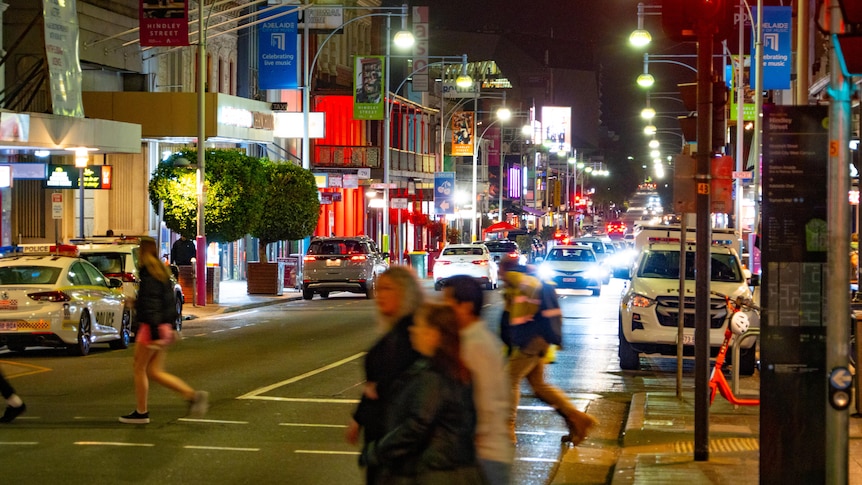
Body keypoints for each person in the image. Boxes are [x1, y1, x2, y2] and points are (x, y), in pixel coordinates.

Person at [361, 303, 485, 484]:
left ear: (433, 334)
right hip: (448, 470)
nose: (412, 330)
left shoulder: (433, 377)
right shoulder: (452, 369)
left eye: (418, 325)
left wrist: (376, 452)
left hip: (435, 474)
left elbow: (417, 425)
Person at [498, 258, 598, 445]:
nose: (498, 273)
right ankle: (578, 420)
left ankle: (507, 429)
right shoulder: (522, 281)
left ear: (506, 269)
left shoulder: (517, 280)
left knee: (508, 381)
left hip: (531, 341)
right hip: (539, 340)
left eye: (500, 269)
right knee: (539, 386)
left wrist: (520, 338)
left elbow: (520, 315)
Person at [345, 266, 423, 484]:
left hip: (394, 439)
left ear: (405, 292)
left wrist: (375, 391)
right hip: (383, 435)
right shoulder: (395, 332)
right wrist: (359, 417)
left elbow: (399, 380)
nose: (380, 295)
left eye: (388, 289)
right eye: (379, 288)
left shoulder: (414, 334)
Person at [119, 236, 208, 424]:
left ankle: (141, 412)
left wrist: (154, 331)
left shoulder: (148, 273)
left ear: (142, 252)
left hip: (151, 328)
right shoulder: (161, 271)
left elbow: (152, 304)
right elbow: (164, 302)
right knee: (154, 371)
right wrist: (170, 326)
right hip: (162, 326)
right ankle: (192, 396)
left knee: (139, 368)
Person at [443, 275, 514, 484]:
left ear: (464, 307)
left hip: (484, 456)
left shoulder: (476, 345)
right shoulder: (469, 340)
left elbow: (487, 402)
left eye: (447, 302)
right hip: (479, 454)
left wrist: (467, 440)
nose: (443, 308)